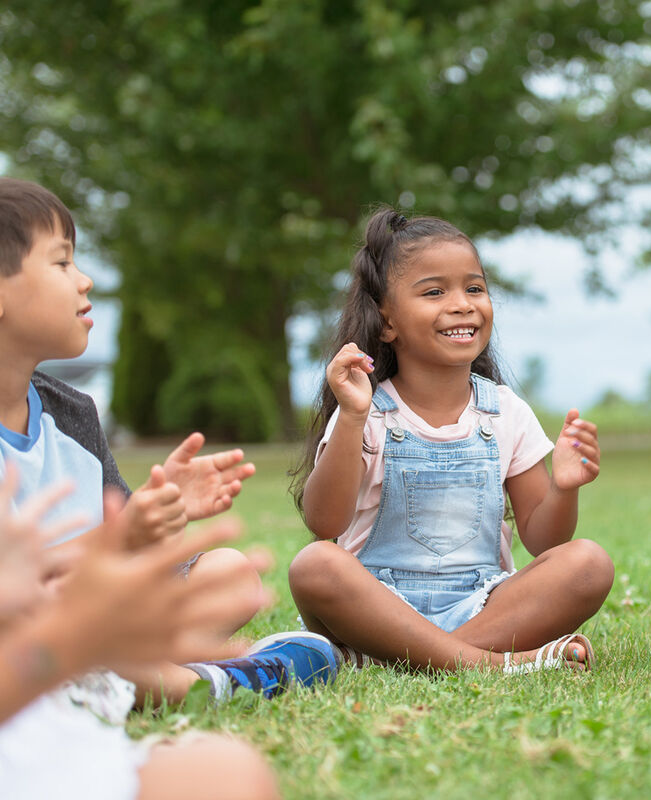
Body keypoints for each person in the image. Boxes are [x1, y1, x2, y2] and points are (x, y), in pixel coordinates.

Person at [0, 176, 338, 707]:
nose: (85, 281)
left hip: (103, 617)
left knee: (231, 574)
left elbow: (123, 535)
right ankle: (213, 681)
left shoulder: (73, 413)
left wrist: (164, 508)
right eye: (62, 262)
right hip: (27, 634)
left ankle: (145, 670)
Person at [288, 209, 613, 673]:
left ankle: (421, 658)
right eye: (435, 291)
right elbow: (325, 522)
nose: (463, 304)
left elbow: (545, 541)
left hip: (482, 607)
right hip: (376, 608)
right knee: (314, 565)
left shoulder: (506, 412)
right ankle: (485, 662)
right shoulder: (366, 409)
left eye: (474, 288)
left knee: (588, 563)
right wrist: (353, 417)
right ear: (386, 323)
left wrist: (564, 488)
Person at [0, 471, 280, 799]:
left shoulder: (74, 419)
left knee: (232, 774)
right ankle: (213, 684)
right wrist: (59, 640)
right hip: (41, 668)